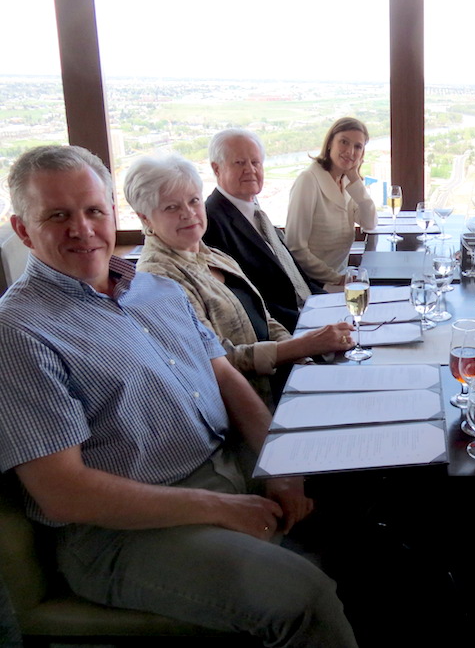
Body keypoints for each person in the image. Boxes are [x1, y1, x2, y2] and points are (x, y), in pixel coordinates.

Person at [0, 145, 357, 647]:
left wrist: (279, 469)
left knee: (371, 509)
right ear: (22, 228)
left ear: (112, 212)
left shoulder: (155, 291)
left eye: (93, 210)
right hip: (123, 531)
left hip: (225, 468)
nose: (82, 229)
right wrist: (217, 507)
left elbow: (228, 383)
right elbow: (64, 492)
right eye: (57, 216)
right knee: (303, 597)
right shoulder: (18, 331)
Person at [124, 154, 353, 407]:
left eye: (194, 201)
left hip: (285, 383)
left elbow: (265, 321)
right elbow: (217, 360)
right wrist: (302, 348)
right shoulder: (158, 278)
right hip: (249, 406)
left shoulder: (213, 256)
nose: (189, 214)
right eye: (171, 207)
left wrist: (305, 363)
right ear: (144, 217)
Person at [204, 128, 322, 333]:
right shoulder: (211, 222)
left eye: (255, 162)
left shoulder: (255, 210)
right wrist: (313, 325)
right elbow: (246, 303)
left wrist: (333, 304)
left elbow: (295, 278)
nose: (250, 170)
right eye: (240, 163)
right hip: (288, 330)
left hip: (313, 311)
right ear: (217, 169)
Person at [284, 117, 378, 286]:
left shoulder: (347, 181)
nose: (350, 151)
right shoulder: (309, 181)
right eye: (344, 142)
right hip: (314, 282)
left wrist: (355, 179)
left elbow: (370, 223)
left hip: (341, 277)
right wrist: (336, 279)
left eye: (358, 146)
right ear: (329, 144)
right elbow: (296, 248)